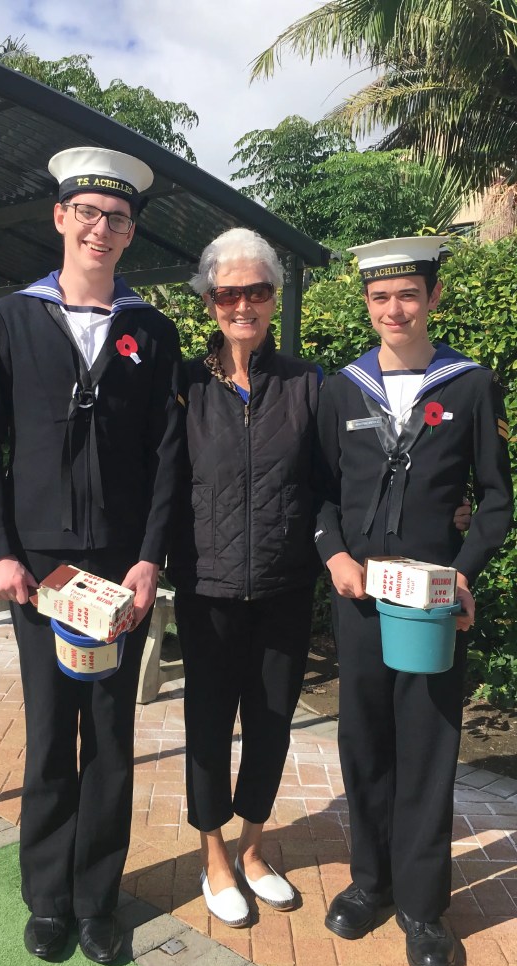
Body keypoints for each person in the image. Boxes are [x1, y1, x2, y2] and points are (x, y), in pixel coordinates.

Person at [0, 147, 185, 964]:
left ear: (131, 234)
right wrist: (2, 552)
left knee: (112, 731)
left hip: (117, 568)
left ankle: (99, 900)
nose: (100, 228)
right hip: (41, 571)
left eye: (117, 218)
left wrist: (150, 557)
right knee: (53, 729)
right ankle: (47, 897)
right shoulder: (12, 318)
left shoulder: (150, 329)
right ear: (60, 218)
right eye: (87, 213)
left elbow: (169, 454)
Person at [315, 236, 513, 966]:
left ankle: (425, 909)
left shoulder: (469, 384)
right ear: (367, 305)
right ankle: (372, 883)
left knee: (428, 750)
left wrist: (462, 578)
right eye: (380, 298)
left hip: (432, 604)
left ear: (432, 298)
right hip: (361, 601)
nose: (394, 310)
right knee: (364, 744)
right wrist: (334, 555)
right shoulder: (344, 388)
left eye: (407, 295)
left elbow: (496, 503)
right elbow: (320, 494)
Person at [166, 228, 324, 926]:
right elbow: (159, 481)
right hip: (207, 590)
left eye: (257, 291)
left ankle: (255, 849)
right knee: (207, 725)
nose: (243, 304)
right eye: (228, 292)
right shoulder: (185, 387)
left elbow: (337, 481)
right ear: (209, 302)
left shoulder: (307, 384)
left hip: (286, 589)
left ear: (273, 297)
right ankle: (215, 858)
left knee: (271, 724)